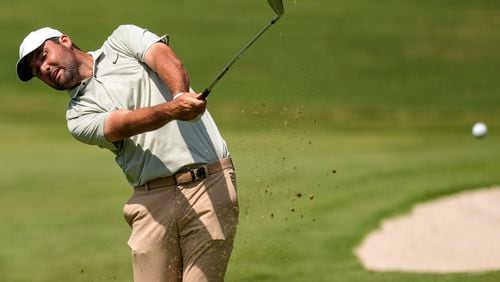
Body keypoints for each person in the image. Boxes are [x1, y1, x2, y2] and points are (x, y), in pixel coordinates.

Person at [16, 25, 239, 282]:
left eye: (43, 56)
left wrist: (179, 94)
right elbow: (123, 124)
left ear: (65, 41)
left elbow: (163, 57)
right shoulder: (76, 116)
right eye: (36, 71)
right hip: (151, 202)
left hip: (209, 184)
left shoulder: (122, 40)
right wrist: (173, 109)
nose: (43, 69)